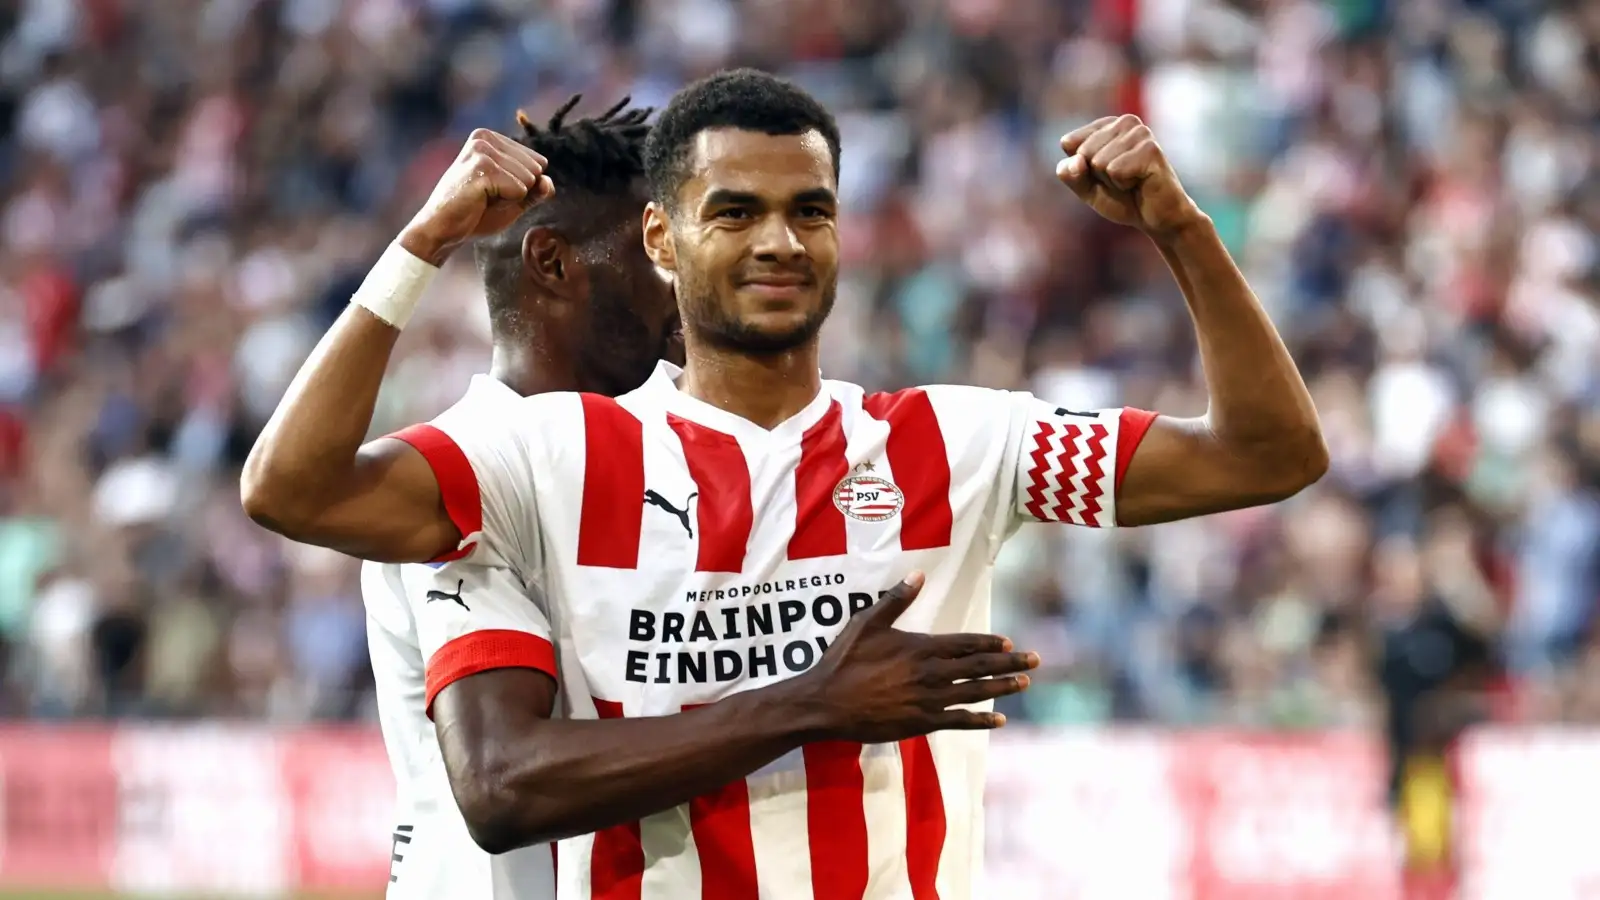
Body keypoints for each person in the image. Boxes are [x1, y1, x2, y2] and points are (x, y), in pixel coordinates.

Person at [244, 68, 1326, 898]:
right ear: (661, 239)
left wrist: (1182, 232)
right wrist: (422, 241)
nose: (780, 241)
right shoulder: (549, 455)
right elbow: (292, 491)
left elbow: (1266, 453)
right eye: (735, 213)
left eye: (810, 211)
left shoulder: (952, 442)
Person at [361, 96, 678, 899]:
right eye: (654, 252)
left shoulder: (651, 452)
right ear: (554, 263)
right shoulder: (463, 470)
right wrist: (808, 708)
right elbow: (501, 782)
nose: (684, 287)